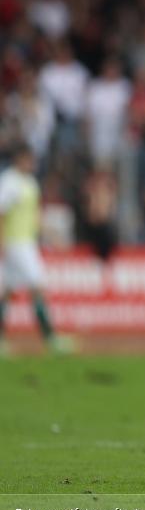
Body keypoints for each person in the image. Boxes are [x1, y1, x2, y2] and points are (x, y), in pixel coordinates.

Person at [0, 142, 73, 356]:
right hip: (16, 243)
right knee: (38, 287)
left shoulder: (30, 183)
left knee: (7, 292)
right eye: (29, 159)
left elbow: (34, 217)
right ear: (19, 159)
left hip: (27, 242)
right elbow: (1, 213)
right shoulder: (9, 182)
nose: (32, 163)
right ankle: (50, 338)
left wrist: (51, 236)